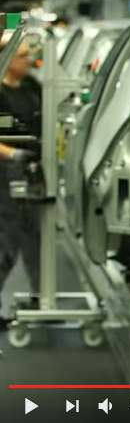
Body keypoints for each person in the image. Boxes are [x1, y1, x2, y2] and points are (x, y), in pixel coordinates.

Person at [0, 32, 42, 330]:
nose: (29, 60)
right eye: (23, 55)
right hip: (4, 174)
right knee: (6, 243)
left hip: (33, 170)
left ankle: (42, 297)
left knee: (35, 237)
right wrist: (13, 155)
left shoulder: (32, 86)